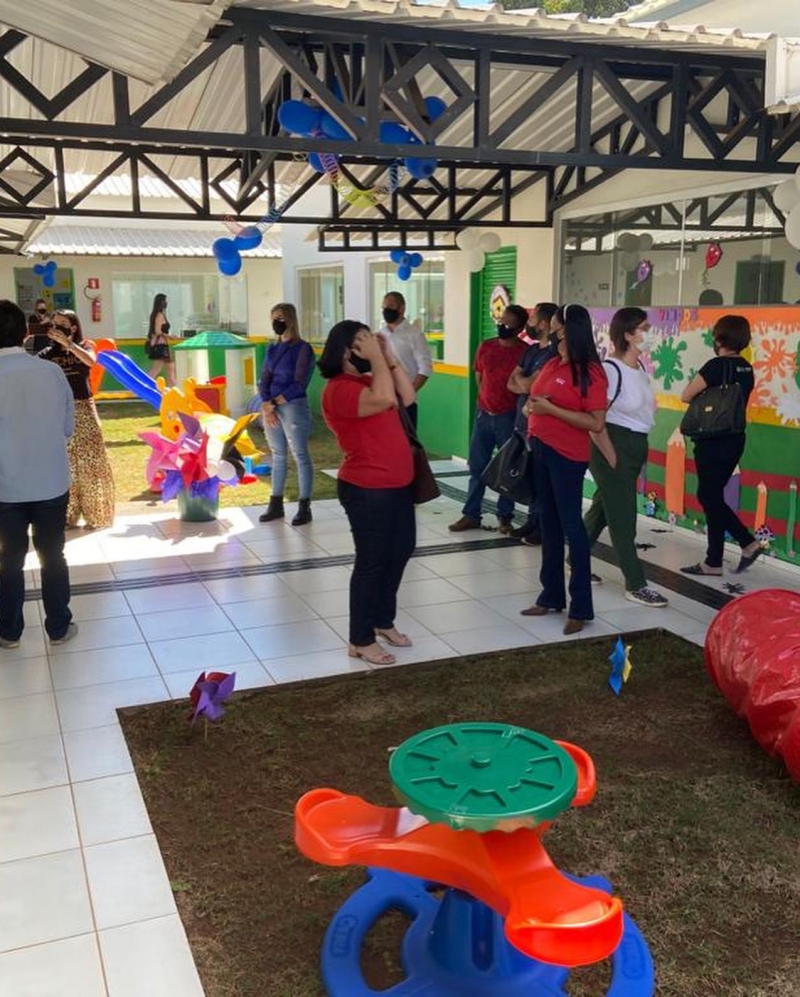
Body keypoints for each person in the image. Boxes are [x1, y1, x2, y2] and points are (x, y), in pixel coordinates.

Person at [319, 319, 417, 667]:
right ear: (347, 352)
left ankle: (382, 621)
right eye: (363, 343)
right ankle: (360, 640)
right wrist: (376, 360)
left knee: (400, 550)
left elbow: (407, 395)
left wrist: (387, 356)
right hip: (367, 489)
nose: (371, 347)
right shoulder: (339, 389)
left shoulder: (367, 378)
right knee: (372, 562)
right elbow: (385, 397)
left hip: (396, 485)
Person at [521, 304, 608, 636]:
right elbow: (534, 395)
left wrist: (551, 410)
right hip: (540, 450)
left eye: (556, 327)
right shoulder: (553, 362)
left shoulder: (591, 373)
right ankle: (551, 594)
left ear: (571, 330)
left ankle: (581, 606)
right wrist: (533, 406)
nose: (551, 331)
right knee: (549, 523)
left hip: (567, 457)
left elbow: (596, 422)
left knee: (572, 528)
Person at [0, 300, 76, 648]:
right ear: (27, 332)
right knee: (52, 555)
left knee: (8, 559)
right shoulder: (51, 372)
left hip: (5, 487)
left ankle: (9, 631)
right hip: (50, 482)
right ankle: (59, 627)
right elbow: (66, 427)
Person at [583, 308, 668, 607]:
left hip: (635, 444)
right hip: (612, 443)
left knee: (604, 508)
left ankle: (574, 557)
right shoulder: (610, 370)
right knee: (623, 517)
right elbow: (595, 420)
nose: (651, 333)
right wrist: (611, 456)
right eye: (645, 328)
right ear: (628, 334)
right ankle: (636, 583)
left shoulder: (640, 369)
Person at [680, 314, 760, 576]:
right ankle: (713, 561)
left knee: (708, 496)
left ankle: (746, 543)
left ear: (719, 337)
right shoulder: (747, 368)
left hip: (712, 439)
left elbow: (686, 395)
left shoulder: (715, 366)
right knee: (712, 496)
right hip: (735, 438)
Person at [449, 306, 527, 534]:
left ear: (520, 328)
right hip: (484, 415)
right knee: (477, 467)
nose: (502, 325)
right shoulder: (486, 346)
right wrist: (485, 403)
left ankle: (505, 517)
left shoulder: (524, 352)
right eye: (501, 320)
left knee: (506, 469)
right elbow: (479, 376)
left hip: (509, 418)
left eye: (509, 322)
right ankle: (471, 514)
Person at [40, 310, 115, 530]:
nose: (57, 327)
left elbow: (91, 361)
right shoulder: (47, 353)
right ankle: (67, 515)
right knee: (65, 464)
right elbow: (33, 370)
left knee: (92, 460)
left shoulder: (85, 345)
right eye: (54, 324)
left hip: (84, 408)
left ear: (73, 327)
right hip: (59, 412)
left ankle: (97, 514)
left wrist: (70, 345)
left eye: (62, 324)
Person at [258, 303, 316, 526]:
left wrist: (274, 402)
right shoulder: (272, 349)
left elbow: (300, 383)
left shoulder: (303, 348)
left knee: (300, 455)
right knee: (278, 454)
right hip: (271, 406)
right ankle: (275, 504)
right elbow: (264, 377)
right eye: (273, 318)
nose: (276, 322)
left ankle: (304, 506)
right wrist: (265, 403)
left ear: (290, 319)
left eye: (280, 317)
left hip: (292, 405)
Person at [507, 302, 559, 545]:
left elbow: (527, 386)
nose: (528, 324)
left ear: (544, 323)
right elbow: (512, 382)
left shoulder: (553, 355)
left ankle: (542, 525)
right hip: (521, 422)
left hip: (539, 426)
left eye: (532, 319)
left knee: (542, 478)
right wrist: (523, 381)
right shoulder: (531, 351)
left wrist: (522, 381)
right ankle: (531, 520)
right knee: (528, 476)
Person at [379, 291, 433, 429]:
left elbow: (425, 368)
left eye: (390, 306)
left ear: (401, 309)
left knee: (406, 444)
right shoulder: (380, 335)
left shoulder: (414, 334)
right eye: (384, 307)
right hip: (384, 399)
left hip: (406, 402)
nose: (386, 311)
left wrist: (409, 392)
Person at [147, 293, 176, 386]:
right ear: (161, 302)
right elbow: (157, 331)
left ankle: (173, 387)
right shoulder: (159, 315)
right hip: (161, 345)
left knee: (170, 368)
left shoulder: (156, 314)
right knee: (157, 369)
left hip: (162, 345)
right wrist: (169, 336)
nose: (166, 303)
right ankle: (145, 387)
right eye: (165, 301)